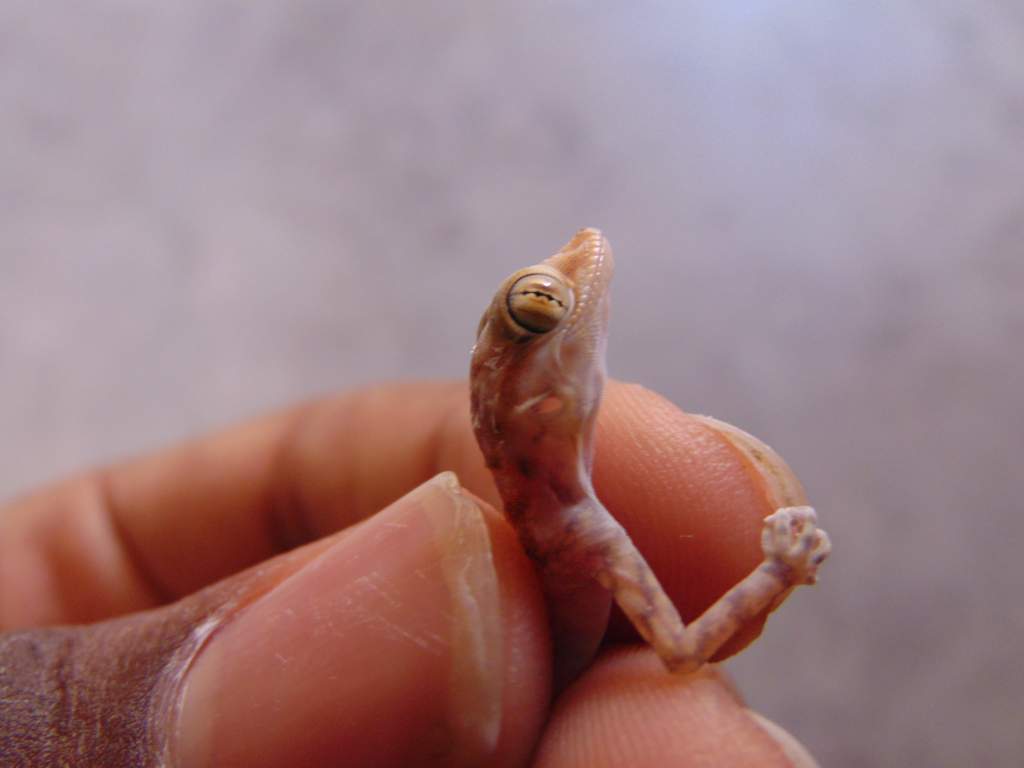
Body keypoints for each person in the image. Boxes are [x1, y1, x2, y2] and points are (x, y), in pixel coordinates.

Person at [0, 381, 818, 767]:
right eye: (542, 315)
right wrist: (776, 572)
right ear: (541, 412)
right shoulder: (579, 536)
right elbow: (680, 652)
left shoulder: (568, 529)